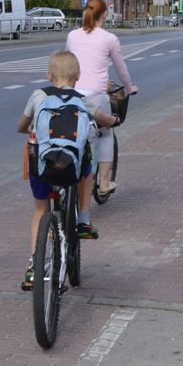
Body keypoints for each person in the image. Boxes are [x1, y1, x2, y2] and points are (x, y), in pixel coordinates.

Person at [15, 50, 116, 290]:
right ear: (78, 76)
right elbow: (102, 119)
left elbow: (21, 125)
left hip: (42, 165)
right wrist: (114, 121)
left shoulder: (38, 95)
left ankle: (33, 266)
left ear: (48, 75)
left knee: (40, 209)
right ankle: (83, 218)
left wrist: (27, 128)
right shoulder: (82, 100)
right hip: (71, 167)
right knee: (87, 165)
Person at [65, 0, 137, 233]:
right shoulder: (109, 39)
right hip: (96, 97)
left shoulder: (73, 35)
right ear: (104, 15)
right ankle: (104, 183)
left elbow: (68, 63)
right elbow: (121, 68)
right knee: (106, 133)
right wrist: (129, 88)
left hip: (72, 96)